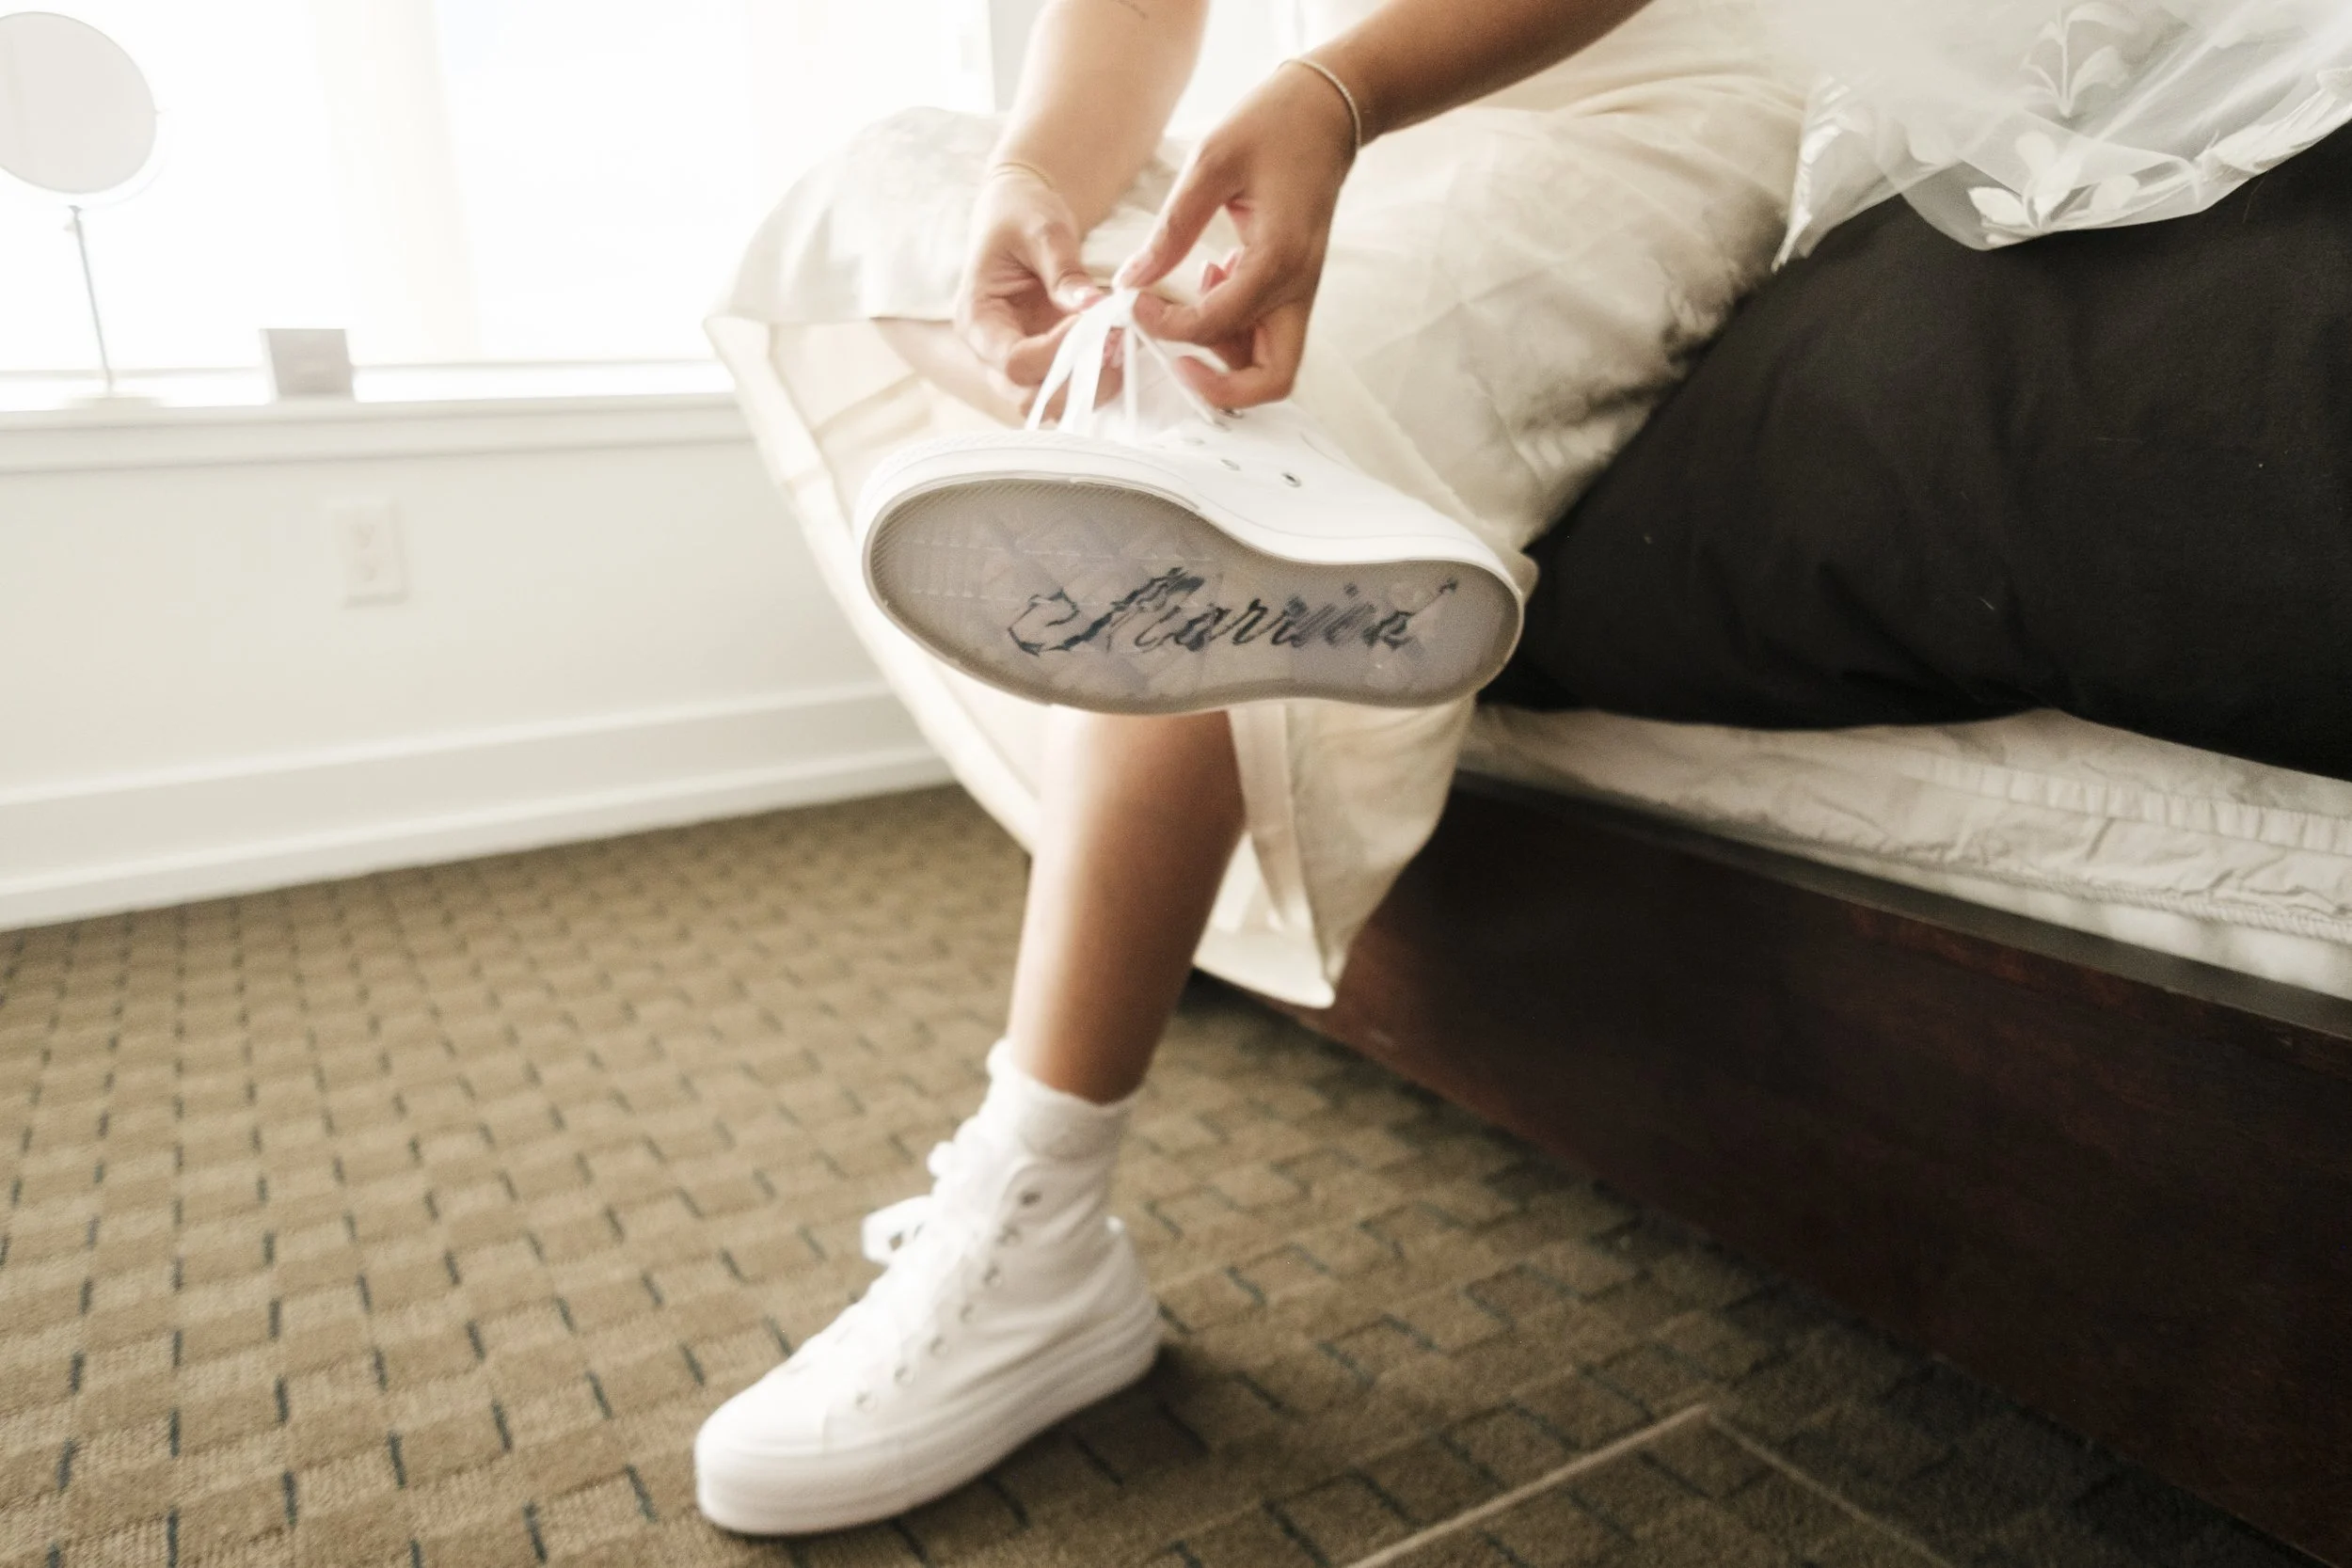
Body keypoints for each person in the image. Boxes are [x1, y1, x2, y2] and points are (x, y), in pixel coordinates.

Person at [695, 0, 1804, 1533]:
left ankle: (1044, 1207)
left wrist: (1338, 91)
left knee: (1197, 472)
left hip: (1583, 109)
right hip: (1296, 132)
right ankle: (1154, 450)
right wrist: (1043, 190)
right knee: (877, 200)